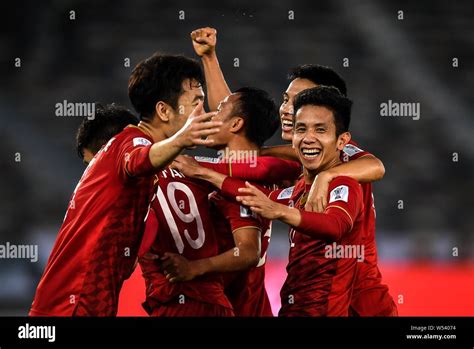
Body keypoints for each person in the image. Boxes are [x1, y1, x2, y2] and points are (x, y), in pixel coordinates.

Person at [190, 27, 396, 316]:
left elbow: (377, 166)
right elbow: (235, 118)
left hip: (355, 301)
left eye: (298, 101)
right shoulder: (300, 159)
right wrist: (210, 58)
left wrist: (327, 178)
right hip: (307, 298)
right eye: (287, 100)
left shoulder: (341, 162)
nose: (287, 109)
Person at [29, 53, 222, 316]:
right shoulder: (130, 141)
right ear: (164, 110)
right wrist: (180, 139)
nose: (204, 112)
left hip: (89, 299)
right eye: (196, 103)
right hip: (73, 302)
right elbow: (138, 161)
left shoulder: (133, 156)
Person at [141, 87, 300, 316]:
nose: (209, 116)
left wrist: (194, 267)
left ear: (235, 125)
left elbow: (247, 252)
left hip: (237, 308)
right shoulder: (243, 171)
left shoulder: (238, 183)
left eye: (218, 110)